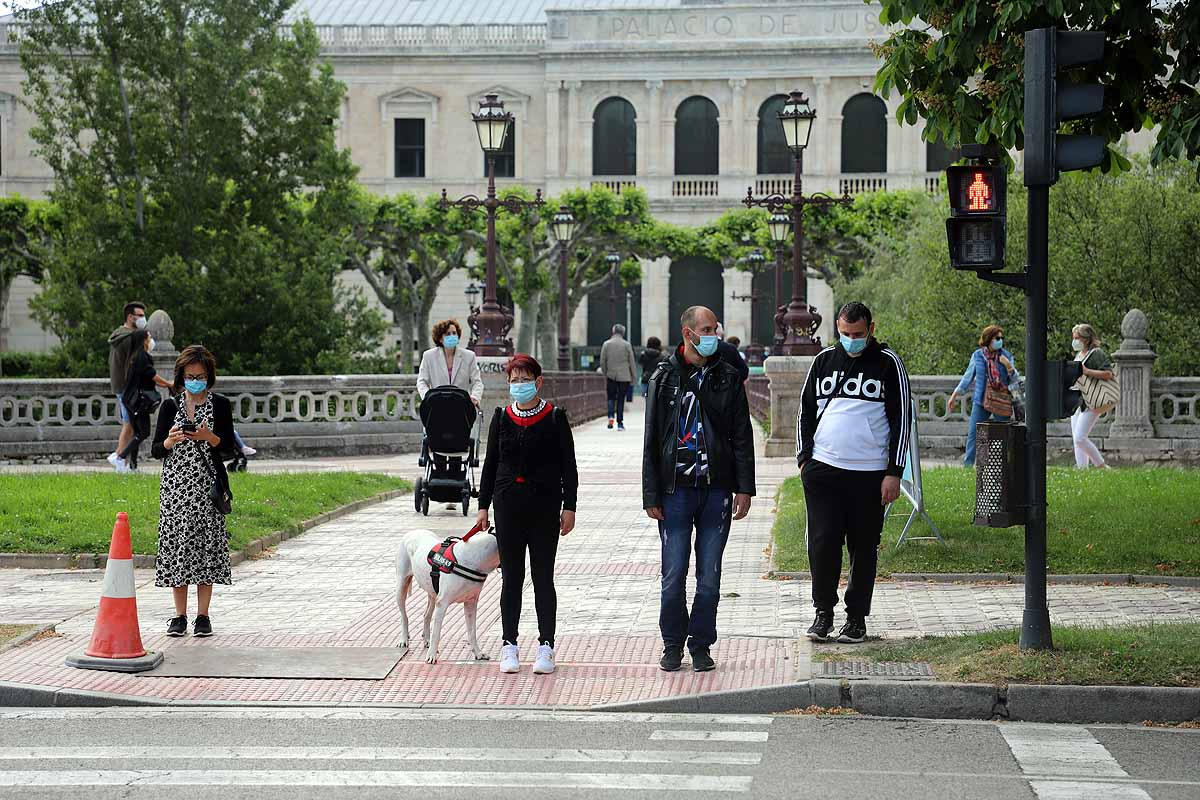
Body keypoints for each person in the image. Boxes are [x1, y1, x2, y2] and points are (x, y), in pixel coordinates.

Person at [643, 305, 755, 673]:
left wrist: (744, 487)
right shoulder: (664, 377)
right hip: (675, 491)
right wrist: (651, 494)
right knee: (673, 573)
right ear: (687, 333)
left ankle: (701, 644)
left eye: (715, 328)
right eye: (706, 329)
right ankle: (672, 643)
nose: (713, 335)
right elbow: (652, 438)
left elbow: (742, 434)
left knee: (710, 575)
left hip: (716, 489)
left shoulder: (726, 376)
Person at [797, 302, 911, 645]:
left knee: (863, 547)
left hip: (869, 474)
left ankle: (856, 618)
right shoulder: (824, 361)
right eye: (845, 334)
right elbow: (804, 411)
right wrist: (804, 459)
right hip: (823, 471)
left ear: (871, 328)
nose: (851, 340)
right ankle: (823, 613)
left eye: (858, 334)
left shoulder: (889, 364)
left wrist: (894, 472)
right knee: (822, 544)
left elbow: (902, 420)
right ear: (837, 327)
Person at [476, 354, 578, 675]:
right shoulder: (501, 417)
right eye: (514, 380)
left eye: (524, 379)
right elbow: (490, 464)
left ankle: (546, 646)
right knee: (512, 578)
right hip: (507, 505)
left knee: (542, 577)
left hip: (545, 506)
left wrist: (569, 506)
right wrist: (482, 506)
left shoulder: (554, 417)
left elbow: (568, 467)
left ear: (538, 382)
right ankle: (509, 645)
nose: (519, 385)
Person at [151, 345, 236, 638]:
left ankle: (203, 615)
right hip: (175, 488)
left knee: (206, 547)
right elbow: (154, 450)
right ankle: (178, 615)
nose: (195, 380)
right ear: (181, 376)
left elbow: (228, 447)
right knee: (178, 547)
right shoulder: (170, 406)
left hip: (207, 486)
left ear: (209, 376)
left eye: (200, 375)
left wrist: (207, 436)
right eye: (190, 375)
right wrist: (169, 441)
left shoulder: (221, 404)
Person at [947, 325, 1021, 467]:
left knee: (1003, 435)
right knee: (974, 434)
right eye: (997, 338)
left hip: (1001, 400)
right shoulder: (978, 355)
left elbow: (1015, 379)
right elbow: (968, 377)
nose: (1000, 341)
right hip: (981, 400)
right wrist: (954, 395)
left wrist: (1008, 366)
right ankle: (969, 466)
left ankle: (1004, 466)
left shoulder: (1006, 355)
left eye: (1002, 338)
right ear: (988, 339)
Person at [116, 330, 170, 471]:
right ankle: (121, 457)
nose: (151, 340)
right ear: (144, 340)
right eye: (149, 337)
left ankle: (133, 467)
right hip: (138, 401)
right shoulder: (142, 357)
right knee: (144, 432)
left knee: (137, 432)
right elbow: (153, 376)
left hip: (131, 399)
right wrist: (169, 384)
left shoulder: (136, 355)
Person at [107, 301, 148, 472]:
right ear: (130, 317)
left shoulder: (120, 334)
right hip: (126, 387)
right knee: (129, 424)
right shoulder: (128, 337)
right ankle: (118, 457)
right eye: (140, 315)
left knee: (130, 424)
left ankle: (125, 464)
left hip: (121, 386)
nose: (143, 319)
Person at [1071, 323, 1116, 468]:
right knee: (1076, 439)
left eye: (1077, 338)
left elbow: (1108, 374)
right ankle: (1082, 470)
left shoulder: (1097, 354)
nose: (1074, 341)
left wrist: (1087, 371)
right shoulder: (1079, 354)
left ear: (1086, 338)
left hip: (1093, 399)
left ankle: (1102, 466)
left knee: (1080, 437)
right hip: (1077, 399)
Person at [416, 319, 484, 406]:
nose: (452, 336)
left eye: (454, 333)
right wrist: (427, 397)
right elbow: (422, 381)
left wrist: (475, 397)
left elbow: (477, 382)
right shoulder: (429, 356)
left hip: (461, 406)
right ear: (440, 338)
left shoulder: (469, 356)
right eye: (448, 334)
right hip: (437, 405)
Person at [599, 323, 636, 430]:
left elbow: (602, 361)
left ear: (613, 332)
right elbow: (632, 362)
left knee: (611, 397)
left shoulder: (606, 344)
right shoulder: (627, 345)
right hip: (624, 376)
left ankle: (610, 416)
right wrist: (633, 377)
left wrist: (606, 372)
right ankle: (620, 423)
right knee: (621, 399)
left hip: (611, 375)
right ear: (623, 333)